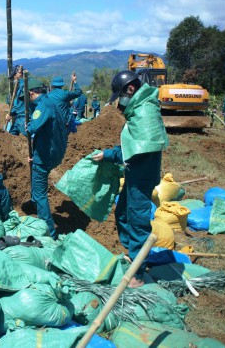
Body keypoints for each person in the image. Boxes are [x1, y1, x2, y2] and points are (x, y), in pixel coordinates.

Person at [92, 70, 169, 288]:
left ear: (131, 89)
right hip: (135, 173)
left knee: (137, 221)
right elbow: (132, 147)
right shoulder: (140, 109)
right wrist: (108, 154)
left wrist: (110, 155)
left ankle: (138, 271)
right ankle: (134, 255)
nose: (120, 103)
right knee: (123, 213)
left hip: (141, 177)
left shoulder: (144, 112)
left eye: (121, 96)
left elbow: (134, 151)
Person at [25, 79, 68, 238]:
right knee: (38, 190)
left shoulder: (43, 106)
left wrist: (28, 126)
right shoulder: (51, 102)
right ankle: (38, 212)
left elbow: (34, 127)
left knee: (40, 193)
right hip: (50, 153)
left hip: (45, 156)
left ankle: (49, 232)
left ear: (32, 93)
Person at [6, 65, 29, 136]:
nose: (14, 79)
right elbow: (16, 104)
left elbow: (19, 105)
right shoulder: (19, 88)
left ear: (18, 75)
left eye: (14, 77)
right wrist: (10, 114)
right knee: (10, 137)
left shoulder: (26, 85)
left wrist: (21, 79)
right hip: (18, 118)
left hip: (24, 118)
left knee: (27, 139)